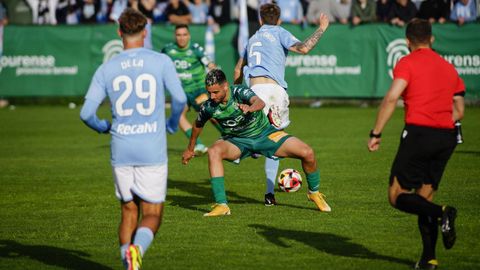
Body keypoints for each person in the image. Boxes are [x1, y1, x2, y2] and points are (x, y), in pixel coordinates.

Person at [80, 8, 186, 270]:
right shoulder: (160, 61)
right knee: (152, 214)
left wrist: (104, 127)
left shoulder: (107, 68)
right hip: (151, 149)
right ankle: (136, 251)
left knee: (128, 211)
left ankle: (129, 263)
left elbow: (86, 114)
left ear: (119, 33)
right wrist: (172, 125)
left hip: (122, 148)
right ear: (145, 32)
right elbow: (181, 100)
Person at [367, 19, 465, 270]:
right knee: (425, 198)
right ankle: (429, 259)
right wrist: (442, 122)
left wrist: (376, 133)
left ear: (407, 41)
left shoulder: (407, 62)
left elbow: (391, 98)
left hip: (420, 133)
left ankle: (444, 211)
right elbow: (459, 110)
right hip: (447, 137)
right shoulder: (448, 67)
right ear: (432, 39)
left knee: (396, 195)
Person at [182, 69, 331, 217]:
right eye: (209, 92)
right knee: (214, 151)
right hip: (237, 141)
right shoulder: (208, 106)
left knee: (307, 153)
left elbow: (259, 102)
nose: (212, 96)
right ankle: (222, 205)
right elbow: (197, 125)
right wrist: (190, 149)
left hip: (265, 135)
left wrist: (249, 108)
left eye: (215, 92)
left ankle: (314, 193)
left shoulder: (239, 92)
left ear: (225, 86)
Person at [234, 3, 330, 207]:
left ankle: (248, 150)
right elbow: (304, 48)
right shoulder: (279, 32)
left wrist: (237, 92)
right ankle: (271, 193)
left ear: (260, 20)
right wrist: (321, 28)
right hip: (274, 94)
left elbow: (237, 70)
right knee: (276, 143)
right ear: (279, 20)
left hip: (253, 93)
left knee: (255, 140)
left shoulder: (251, 40)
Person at [161, 24, 217, 155]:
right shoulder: (168, 50)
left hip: (199, 90)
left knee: (211, 115)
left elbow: (209, 64)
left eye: (184, 35)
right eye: (179, 35)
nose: (181, 38)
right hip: (181, 92)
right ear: (175, 36)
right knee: (179, 115)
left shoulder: (195, 49)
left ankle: (230, 137)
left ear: (189, 36)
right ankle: (199, 145)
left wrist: (214, 72)